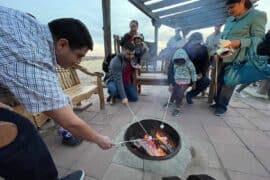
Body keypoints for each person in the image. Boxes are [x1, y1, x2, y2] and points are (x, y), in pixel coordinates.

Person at [0, 6, 112, 180]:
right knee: (18, 134)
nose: (78, 62)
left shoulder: (30, 26)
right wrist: (99, 139)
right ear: (62, 44)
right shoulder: (33, 57)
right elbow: (70, 123)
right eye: (79, 55)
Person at [212, 0, 267, 116]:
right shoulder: (230, 19)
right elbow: (224, 38)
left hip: (238, 56)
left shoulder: (257, 15)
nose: (229, 11)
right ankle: (217, 102)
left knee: (229, 83)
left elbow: (259, 39)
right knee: (219, 80)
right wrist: (218, 52)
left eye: (232, 7)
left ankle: (222, 106)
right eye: (228, 9)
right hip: (224, 53)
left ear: (242, 2)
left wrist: (239, 42)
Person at [167, 49, 197, 116]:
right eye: (177, 60)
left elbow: (193, 72)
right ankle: (171, 102)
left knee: (180, 94)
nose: (179, 61)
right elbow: (174, 72)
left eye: (181, 59)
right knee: (174, 92)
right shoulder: (175, 63)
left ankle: (178, 107)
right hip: (177, 81)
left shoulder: (189, 63)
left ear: (185, 57)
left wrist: (194, 83)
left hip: (185, 81)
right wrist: (172, 83)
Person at [183, 32, 210, 104]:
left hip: (197, 74)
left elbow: (206, 63)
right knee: (179, 90)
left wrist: (201, 73)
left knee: (206, 81)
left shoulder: (203, 49)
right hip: (185, 73)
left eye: (198, 44)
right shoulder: (184, 48)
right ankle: (178, 94)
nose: (196, 45)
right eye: (194, 43)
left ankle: (190, 95)